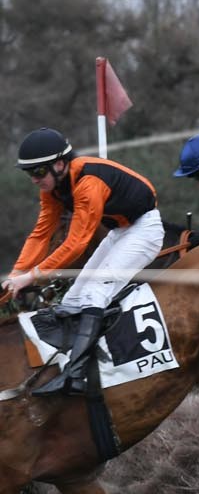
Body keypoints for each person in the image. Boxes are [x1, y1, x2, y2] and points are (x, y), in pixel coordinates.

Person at [2, 128, 165, 395]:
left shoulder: (88, 183)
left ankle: (77, 377)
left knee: (94, 293)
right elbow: (41, 233)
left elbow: (76, 244)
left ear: (59, 164)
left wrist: (32, 276)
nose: (34, 179)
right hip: (120, 231)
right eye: (29, 173)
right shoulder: (53, 188)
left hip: (145, 230)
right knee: (73, 299)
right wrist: (17, 272)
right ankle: (68, 367)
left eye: (38, 172)